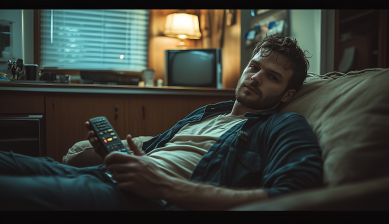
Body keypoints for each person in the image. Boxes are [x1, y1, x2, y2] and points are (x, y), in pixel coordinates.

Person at [0, 34, 322, 211]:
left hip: (146, 202)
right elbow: (153, 154)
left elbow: (293, 196)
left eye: (272, 77)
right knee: (9, 162)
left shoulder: (283, 125)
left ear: (286, 94)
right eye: (254, 67)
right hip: (106, 176)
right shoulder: (210, 112)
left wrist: (165, 187)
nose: (255, 78)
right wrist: (113, 157)